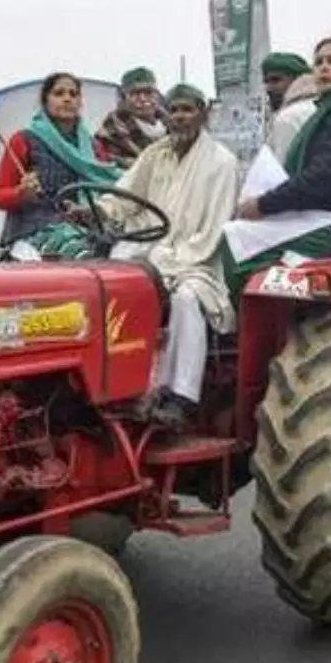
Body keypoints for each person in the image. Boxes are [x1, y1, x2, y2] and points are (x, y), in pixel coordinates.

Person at [104, 84, 239, 428]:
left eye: (187, 110)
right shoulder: (154, 154)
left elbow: (212, 233)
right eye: (174, 110)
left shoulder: (222, 163)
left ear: (203, 113)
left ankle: (180, 396)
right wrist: (100, 211)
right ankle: (120, 386)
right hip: (148, 252)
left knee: (186, 298)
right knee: (112, 284)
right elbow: (124, 194)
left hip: (198, 262)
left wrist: (167, 263)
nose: (179, 117)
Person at [223, 36, 331, 291]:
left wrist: (262, 205)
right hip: (321, 217)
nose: (323, 67)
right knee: (246, 240)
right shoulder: (328, 110)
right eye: (319, 62)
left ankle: (244, 327)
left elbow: (323, 178)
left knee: (234, 240)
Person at [0, 72, 121, 255]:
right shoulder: (24, 140)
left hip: (88, 229)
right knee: (82, 254)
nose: (67, 99)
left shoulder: (93, 148)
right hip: (34, 232)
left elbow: (108, 186)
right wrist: (21, 193)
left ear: (80, 102)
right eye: (59, 93)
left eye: (73, 94)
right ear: (46, 101)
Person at [95, 67, 170, 170]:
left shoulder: (174, 127)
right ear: (124, 98)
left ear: (157, 96)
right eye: (135, 94)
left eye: (148, 93)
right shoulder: (112, 132)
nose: (143, 99)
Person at [263, 52, 319, 162]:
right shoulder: (320, 107)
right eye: (266, 82)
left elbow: (282, 169)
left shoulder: (289, 116)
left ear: (297, 80)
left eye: (275, 80)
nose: (268, 88)